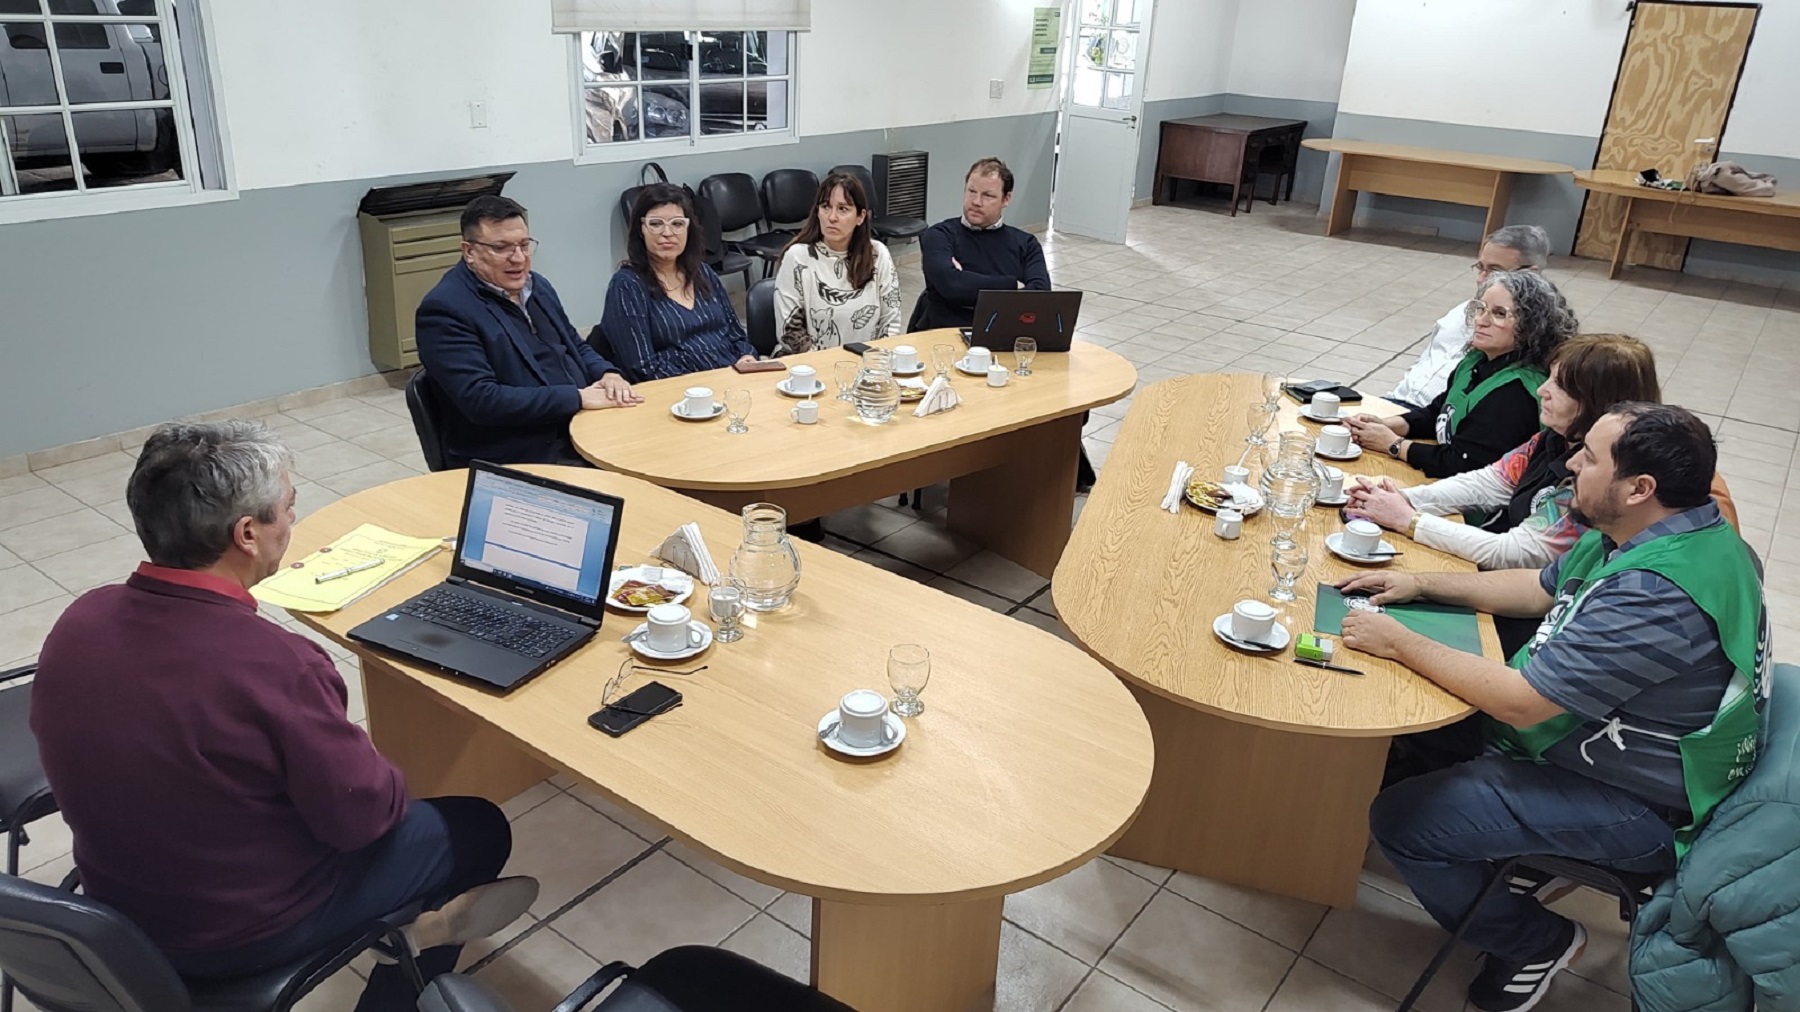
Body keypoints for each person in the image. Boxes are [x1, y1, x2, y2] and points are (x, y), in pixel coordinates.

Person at [30, 422, 537, 1012]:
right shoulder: (275, 664)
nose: (292, 525)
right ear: (247, 533)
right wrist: (369, 762)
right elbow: (364, 820)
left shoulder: (80, 620)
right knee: (476, 826)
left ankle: (406, 931)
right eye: (288, 510)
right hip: (236, 934)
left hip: (116, 912)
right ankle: (405, 967)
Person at [1339, 403, 1768, 1012]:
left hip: (1641, 806)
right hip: (1610, 756)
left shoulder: (1660, 593)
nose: (1570, 462)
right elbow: (1540, 589)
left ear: (1639, 487)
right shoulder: (1648, 531)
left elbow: (1522, 703)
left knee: (1403, 820)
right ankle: (1493, 861)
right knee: (1425, 740)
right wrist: (1422, 583)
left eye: (1589, 457)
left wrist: (1399, 640)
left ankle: (1536, 941)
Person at [417, 195, 642, 468]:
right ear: (469, 252)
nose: (519, 258)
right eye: (502, 248)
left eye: (524, 245)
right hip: (520, 451)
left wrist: (607, 373)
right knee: (634, 480)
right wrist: (577, 398)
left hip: (578, 425)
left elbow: (574, 344)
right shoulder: (445, 309)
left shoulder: (537, 286)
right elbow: (482, 400)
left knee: (654, 444)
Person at [1345, 270, 1576, 479]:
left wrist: (1391, 444)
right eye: (1480, 309)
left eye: (1498, 314)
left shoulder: (1516, 392)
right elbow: (1438, 413)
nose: (1481, 321)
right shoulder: (1477, 360)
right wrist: (1383, 425)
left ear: (1532, 326)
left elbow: (1462, 463)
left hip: (1479, 507)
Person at [604, 182, 759, 381]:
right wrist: (703, 383)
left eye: (677, 224)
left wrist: (746, 356)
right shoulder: (627, 285)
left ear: (688, 229)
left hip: (730, 380)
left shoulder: (702, 272)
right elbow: (642, 367)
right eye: (656, 224)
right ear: (640, 230)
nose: (667, 233)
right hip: (678, 392)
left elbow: (736, 334)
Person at [1387, 226, 1552, 411]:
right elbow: (1425, 363)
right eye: (1480, 267)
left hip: (1441, 420)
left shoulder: (1530, 330)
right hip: (1397, 404)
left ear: (1531, 273)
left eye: (1495, 271)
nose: (1481, 279)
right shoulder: (1461, 311)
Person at [908, 157, 1050, 331]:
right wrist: (1013, 286)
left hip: (1003, 332)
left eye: (988, 195)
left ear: (1006, 199)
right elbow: (953, 286)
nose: (976, 202)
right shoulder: (940, 235)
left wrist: (966, 278)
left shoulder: (1026, 244)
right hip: (945, 333)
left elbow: (1040, 296)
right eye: (971, 191)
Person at [772, 171, 903, 355]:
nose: (832, 217)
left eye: (843, 209)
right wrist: (830, 367)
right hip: (809, 368)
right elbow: (791, 333)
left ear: (860, 217)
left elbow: (891, 322)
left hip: (868, 365)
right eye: (826, 207)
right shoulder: (798, 258)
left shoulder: (877, 254)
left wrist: (876, 365)